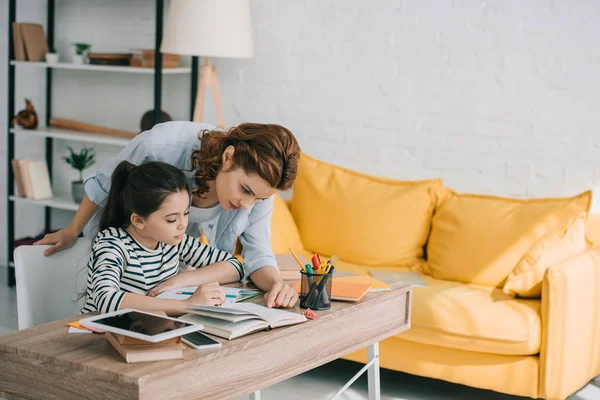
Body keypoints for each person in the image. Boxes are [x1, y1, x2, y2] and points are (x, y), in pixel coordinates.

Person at [36, 121, 300, 308]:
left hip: (164, 287)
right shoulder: (161, 145)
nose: (247, 205)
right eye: (245, 190)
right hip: (126, 274)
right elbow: (103, 186)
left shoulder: (177, 238)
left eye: (259, 199)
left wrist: (276, 284)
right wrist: (72, 230)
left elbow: (253, 254)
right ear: (228, 157)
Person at [81, 160, 242, 316]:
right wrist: (187, 305)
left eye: (186, 213)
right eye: (171, 219)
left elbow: (235, 266)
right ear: (138, 221)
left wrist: (179, 280)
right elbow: (106, 300)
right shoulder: (112, 243)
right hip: (95, 337)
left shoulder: (174, 241)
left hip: (146, 332)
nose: (182, 225)